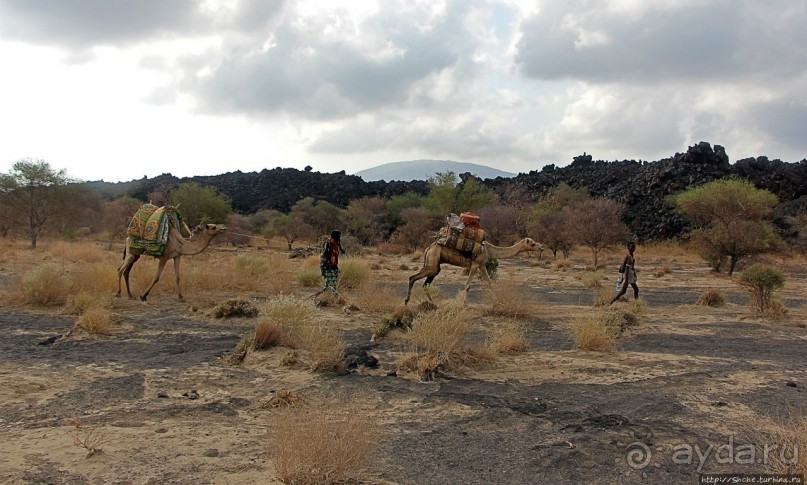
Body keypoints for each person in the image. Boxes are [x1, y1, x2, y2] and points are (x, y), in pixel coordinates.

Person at [314, 230, 345, 298]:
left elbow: (340, 251)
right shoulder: (329, 243)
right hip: (327, 266)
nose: (339, 237)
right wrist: (328, 266)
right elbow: (326, 255)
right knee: (333, 284)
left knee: (328, 285)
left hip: (333, 265)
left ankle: (317, 297)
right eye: (338, 235)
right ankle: (337, 299)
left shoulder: (336, 243)